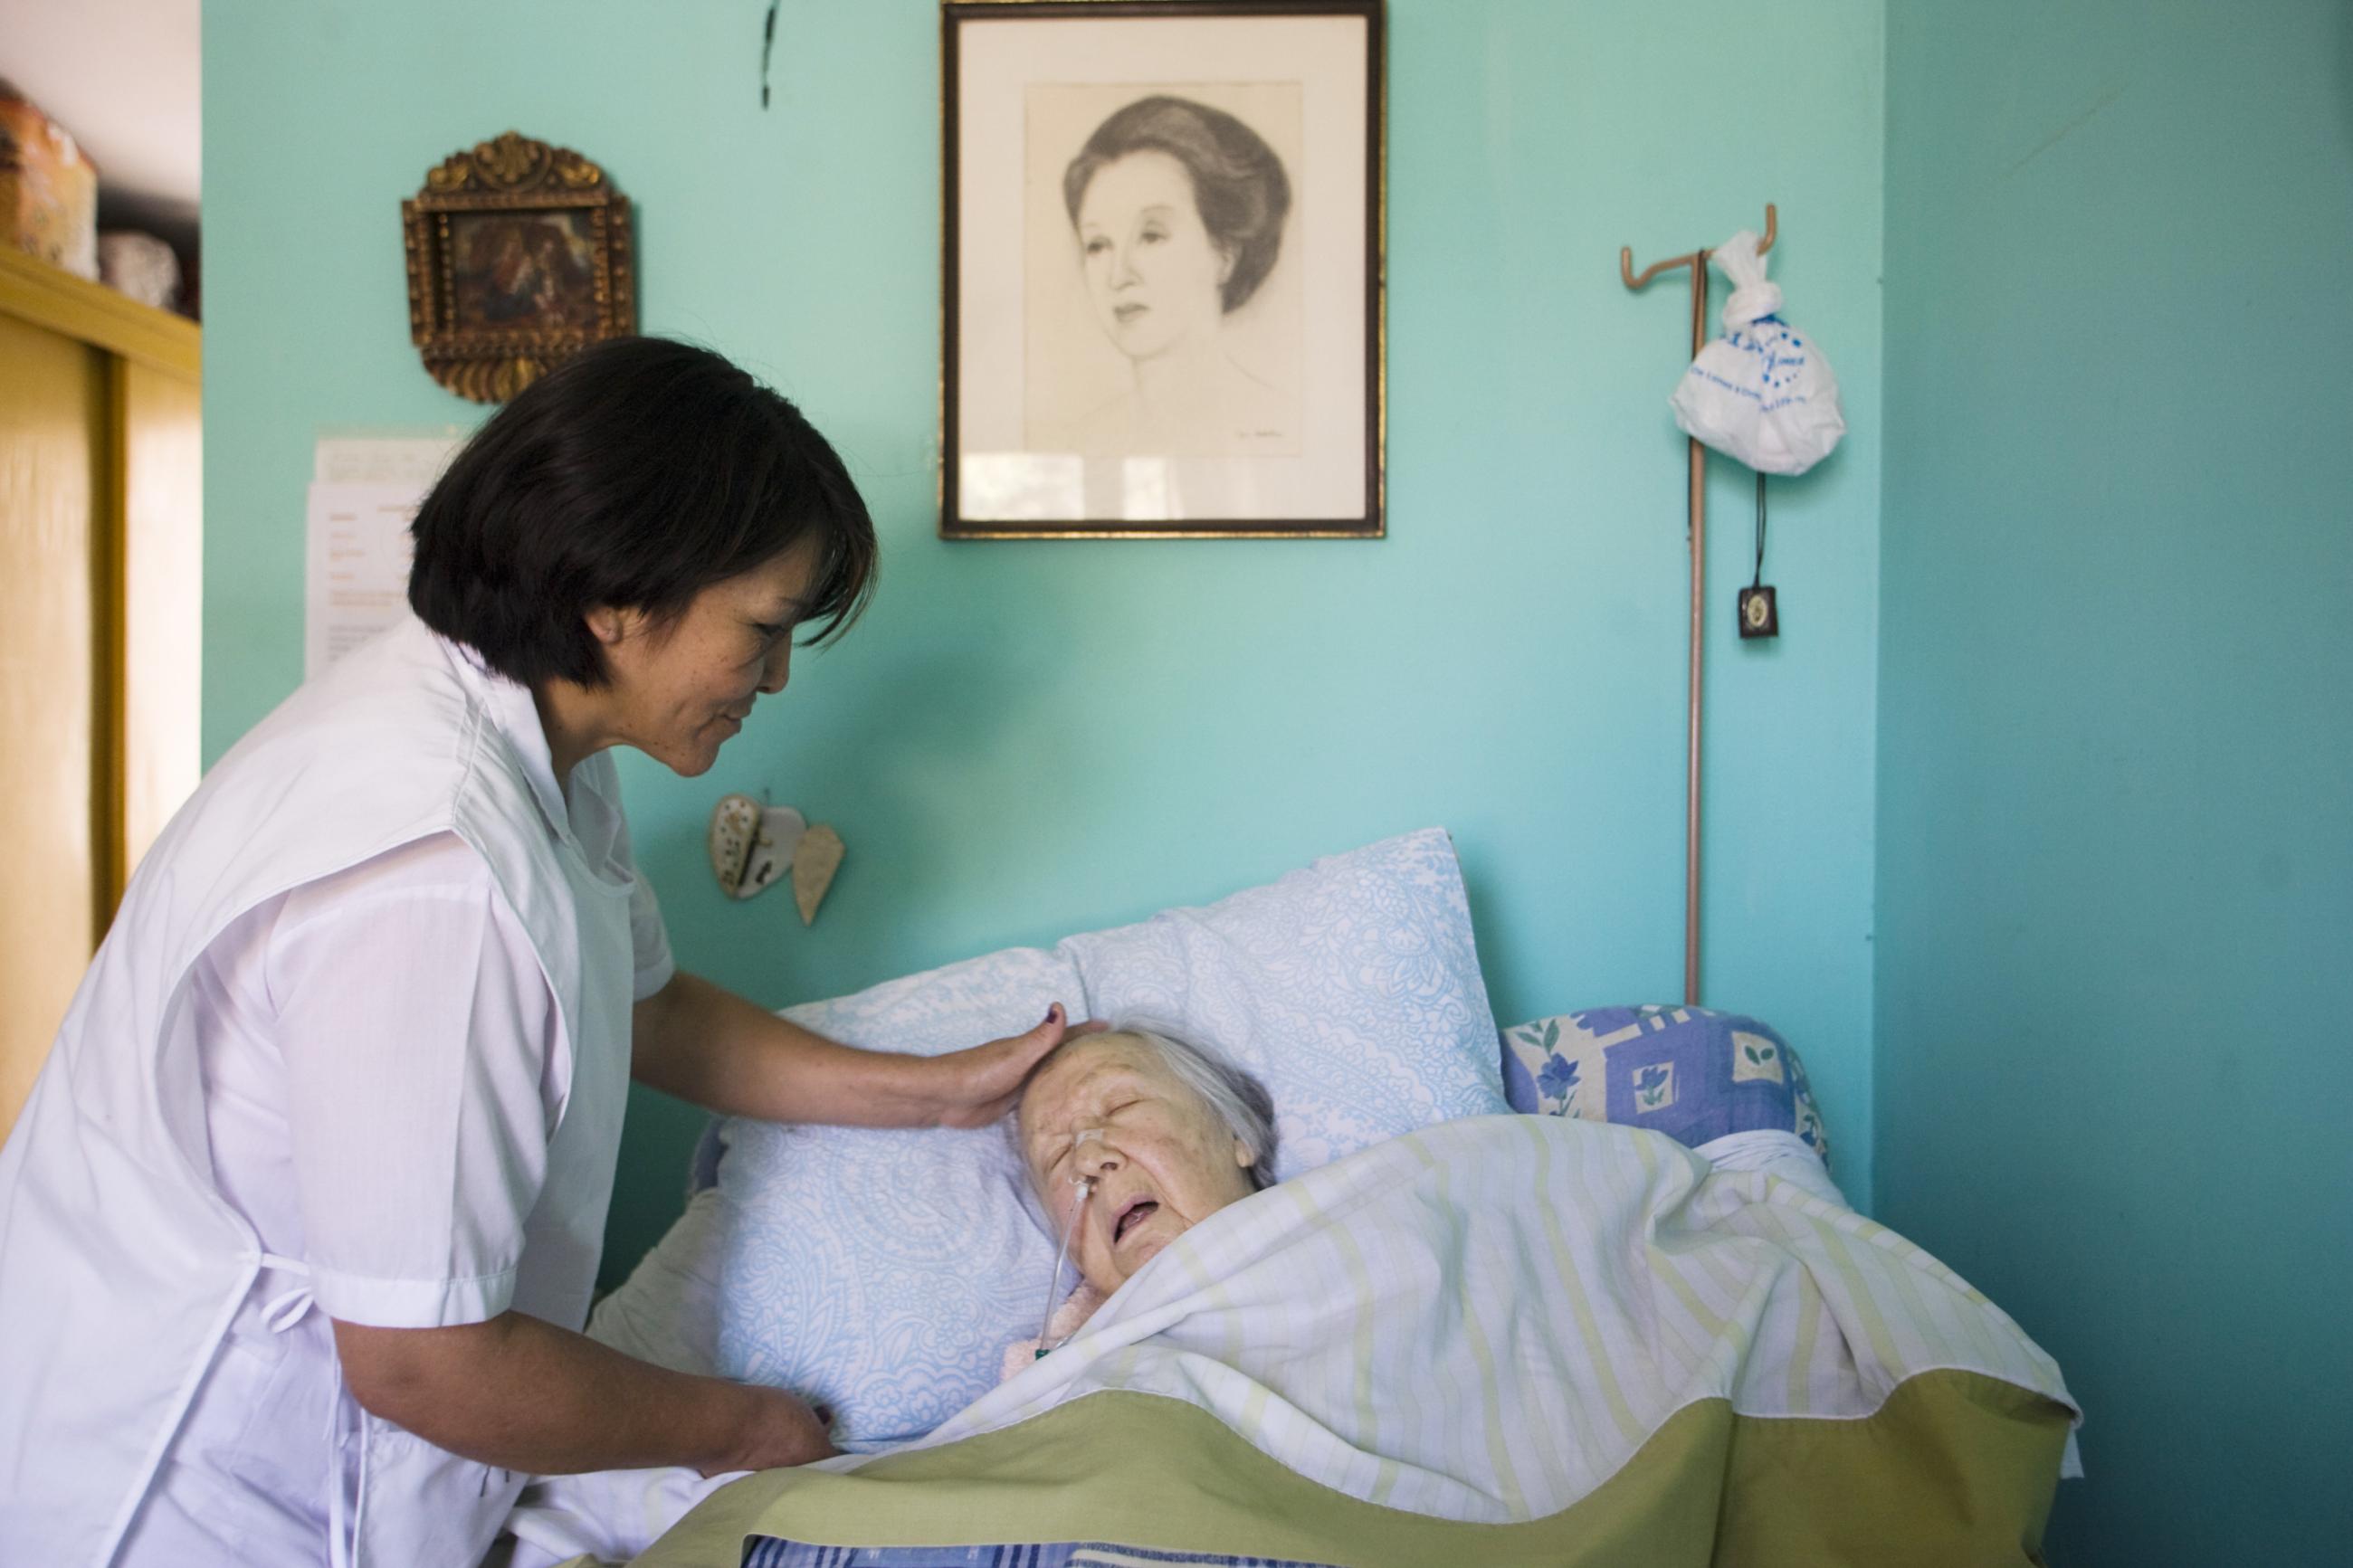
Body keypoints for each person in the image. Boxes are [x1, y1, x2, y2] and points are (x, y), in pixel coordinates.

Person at [0, 337, 1094, 1568]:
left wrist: (937, 1091)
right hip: (191, 1497)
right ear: (617, 597)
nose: (779, 678)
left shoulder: (535, 743)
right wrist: (748, 1425)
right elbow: (423, 1362)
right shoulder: (436, 876)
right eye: (765, 629)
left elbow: (650, 1006)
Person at [1005, 1027, 1276, 1371]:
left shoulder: (1358, 1217)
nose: (1086, 1160)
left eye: (1122, 1106)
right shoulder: (1047, 1386)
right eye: (1058, 1156)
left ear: (1237, 1133)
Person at [1050, 95, 1295, 456]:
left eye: (1151, 236)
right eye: (1099, 245)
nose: (1119, 276)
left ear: (1224, 255)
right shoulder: (1081, 446)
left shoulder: (1281, 427)